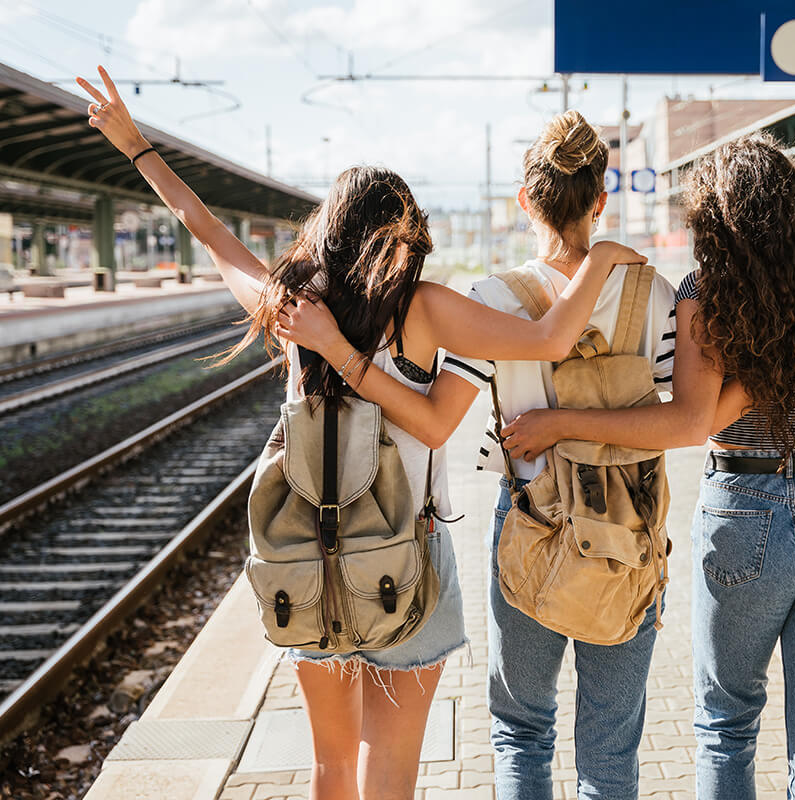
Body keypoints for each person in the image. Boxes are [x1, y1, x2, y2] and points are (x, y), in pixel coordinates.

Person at [77, 68, 644, 800]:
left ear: (327, 228)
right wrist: (599, 257)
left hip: (307, 558)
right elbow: (549, 337)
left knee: (330, 767)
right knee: (390, 770)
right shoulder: (427, 310)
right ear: (401, 232)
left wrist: (136, 148)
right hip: (408, 554)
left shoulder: (290, 308)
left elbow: (208, 231)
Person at [499, 134, 795, 800]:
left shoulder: (706, 293)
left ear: (715, 219)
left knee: (727, 726)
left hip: (743, 513)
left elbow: (690, 422)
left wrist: (563, 421)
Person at [280, 110, 678, 800]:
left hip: (530, 523)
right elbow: (676, 420)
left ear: (525, 201)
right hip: (631, 533)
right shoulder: (657, 295)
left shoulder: (493, 298)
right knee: (611, 745)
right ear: (600, 198)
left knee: (522, 730)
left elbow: (450, 412)